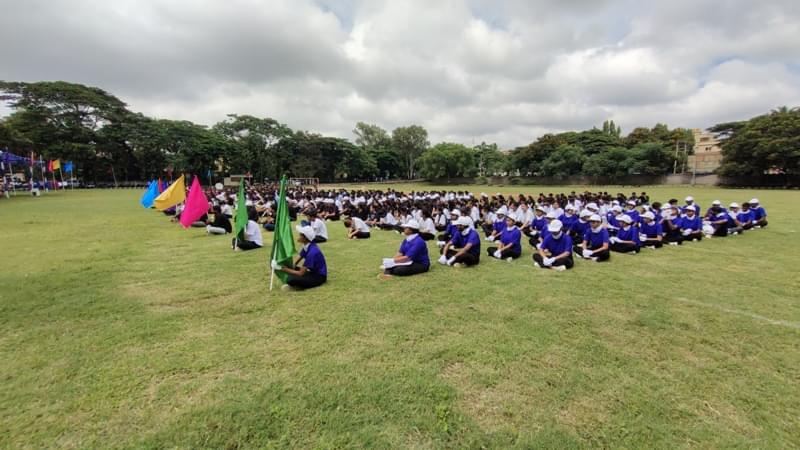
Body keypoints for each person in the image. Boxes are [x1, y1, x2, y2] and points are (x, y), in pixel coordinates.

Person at [272, 225, 327, 291]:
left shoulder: (312, 252)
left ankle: (296, 286)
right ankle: (297, 285)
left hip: (319, 276)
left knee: (291, 280)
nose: (299, 236)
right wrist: (289, 266)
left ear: (305, 238)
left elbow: (300, 273)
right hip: (311, 272)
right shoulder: (307, 246)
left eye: (300, 235)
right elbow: (296, 261)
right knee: (291, 270)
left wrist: (282, 269)